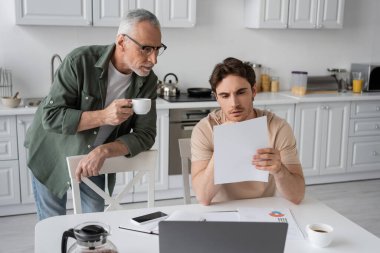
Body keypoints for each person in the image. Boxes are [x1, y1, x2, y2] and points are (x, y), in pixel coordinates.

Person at [24, 9, 166, 220]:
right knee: (53, 225)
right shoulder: (79, 61)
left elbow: (145, 134)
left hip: (96, 159)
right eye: (145, 49)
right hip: (52, 153)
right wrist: (104, 116)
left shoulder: (148, 81)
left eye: (157, 49)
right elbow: (51, 117)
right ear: (121, 42)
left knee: (95, 224)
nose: (153, 59)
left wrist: (104, 151)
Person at [191, 57, 305, 205]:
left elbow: (297, 196)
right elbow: (203, 197)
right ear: (216, 97)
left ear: (254, 91)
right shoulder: (204, 129)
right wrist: (221, 149)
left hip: (265, 208)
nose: (234, 103)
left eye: (241, 92)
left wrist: (279, 170)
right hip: (221, 210)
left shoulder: (278, 127)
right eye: (225, 96)